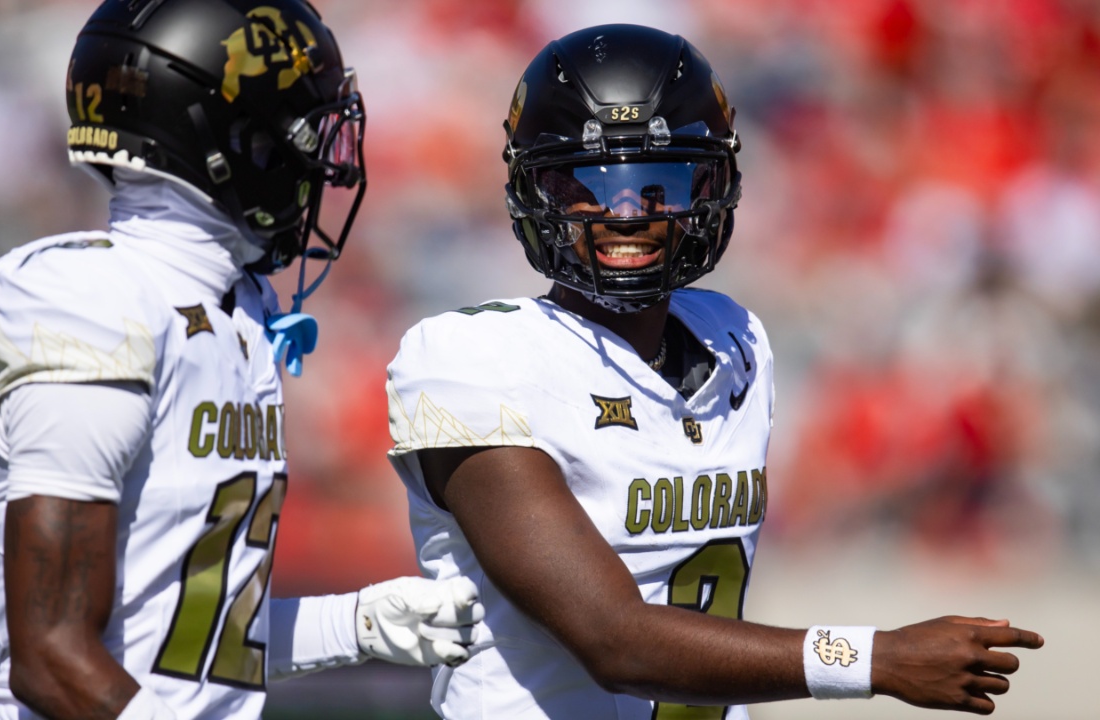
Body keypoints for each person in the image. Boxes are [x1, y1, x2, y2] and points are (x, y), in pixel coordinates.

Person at [384, 24, 1043, 720]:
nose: (627, 213)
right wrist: (873, 659)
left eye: (658, 182)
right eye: (587, 183)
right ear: (536, 190)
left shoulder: (734, 339)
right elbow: (615, 643)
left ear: (710, 185)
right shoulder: (471, 360)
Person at [0, 2, 482, 719]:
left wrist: (359, 622)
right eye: (298, 135)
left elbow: (190, 640)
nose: (320, 164)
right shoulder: (94, 296)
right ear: (227, 139)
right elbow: (51, 657)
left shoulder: (238, 311)